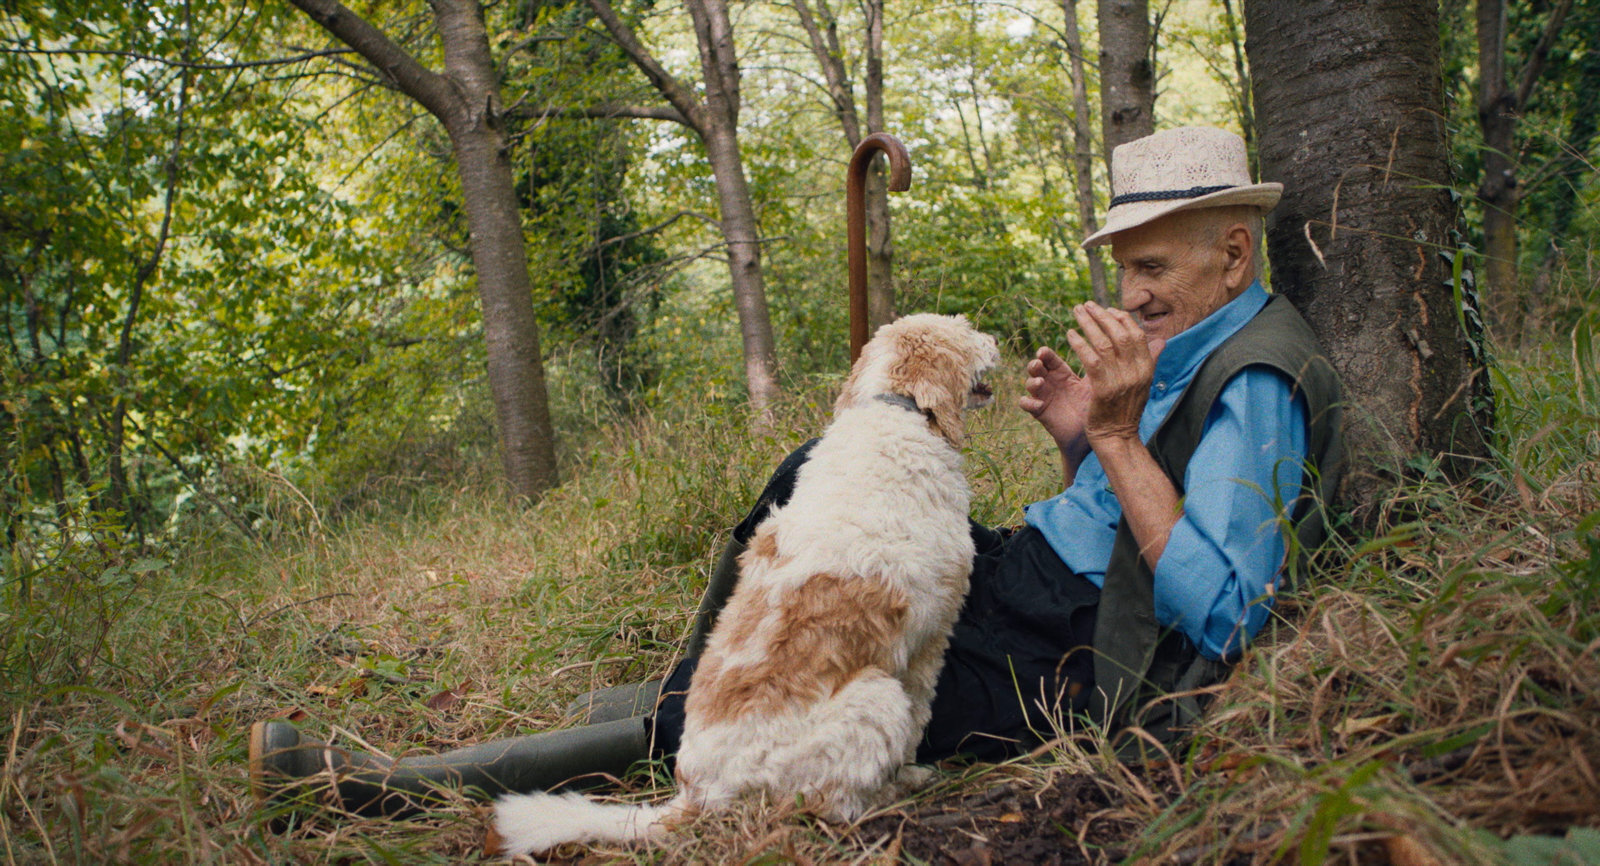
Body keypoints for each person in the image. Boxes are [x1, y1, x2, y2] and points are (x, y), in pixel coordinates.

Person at [249, 126, 1342, 818]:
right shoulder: (1186, 341)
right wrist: (1075, 435)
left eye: (1150, 265)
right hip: (1030, 578)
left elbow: (1226, 608)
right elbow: (1126, 503)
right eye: (1126, 268)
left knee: (790, 689)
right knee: (814, 468)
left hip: (1075, 651)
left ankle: (366, 785)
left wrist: (1111, 439)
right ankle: (659, 705)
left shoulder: (1254, 384)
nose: (1133, 290)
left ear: (1232, 253)